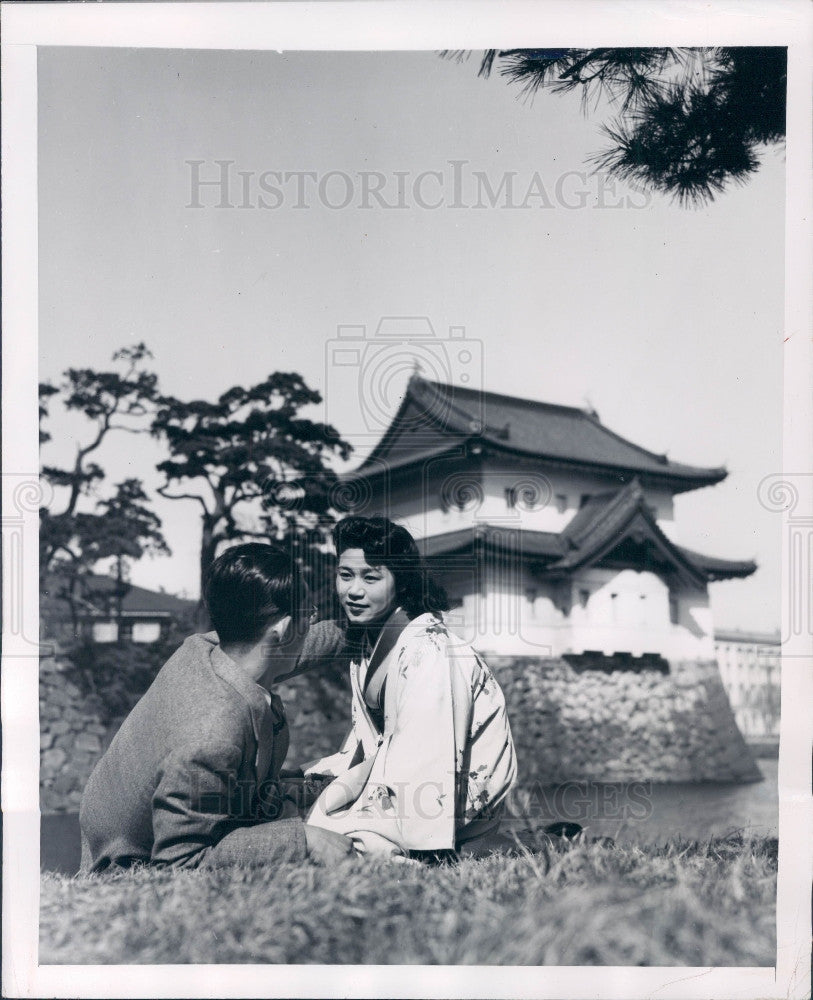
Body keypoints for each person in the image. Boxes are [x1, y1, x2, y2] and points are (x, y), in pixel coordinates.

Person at [79, 543, 353, 872]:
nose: (313, 623)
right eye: (308, 616)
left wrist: (367, 628)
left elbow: (304, 646)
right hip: (124, 866)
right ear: (280, 632)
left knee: (312, 781)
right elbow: (181, 861)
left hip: (199, 804)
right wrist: (302, 839)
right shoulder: (212, 734)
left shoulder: (207, 648)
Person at [302, 516, 517, 860]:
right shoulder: (369, 641)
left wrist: (424, 847)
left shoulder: (428, 648)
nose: (354, 590)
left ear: (401, 581)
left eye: (371, 577)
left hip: (452, 797)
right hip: (397, 779)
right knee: (301, 805)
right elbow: (366, 743)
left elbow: (426, 755)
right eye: (345, 575)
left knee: (328, 841)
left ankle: (440, 847)